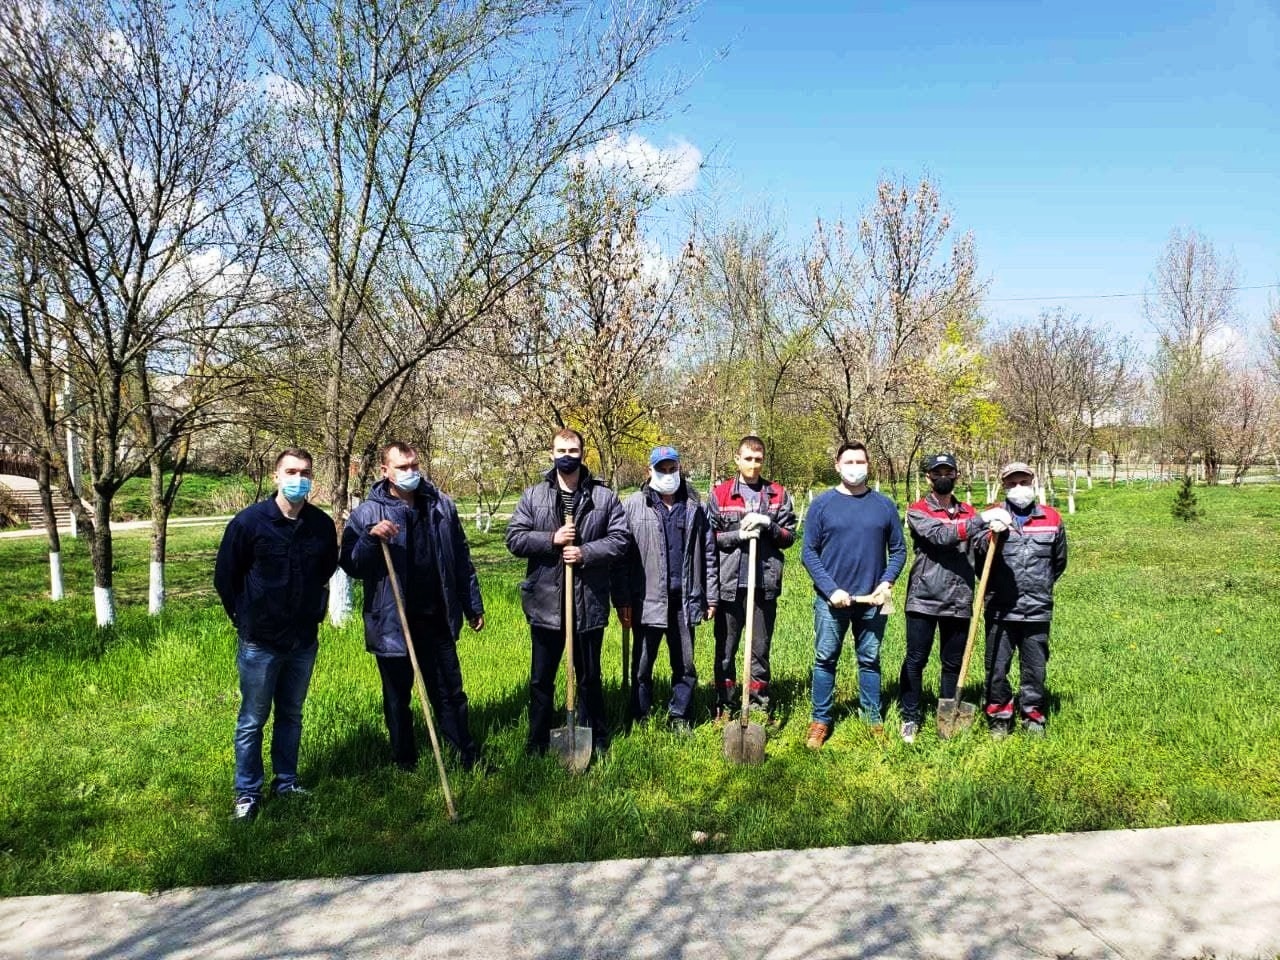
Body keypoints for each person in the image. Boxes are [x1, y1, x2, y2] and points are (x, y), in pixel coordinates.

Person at [339, 441, 484, 771]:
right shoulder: (368, 513)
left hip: (436, 616)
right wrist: (371, 538)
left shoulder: (440, 505)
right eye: (402, 467)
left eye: (414, 466)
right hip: (393, 621)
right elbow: (351, 564)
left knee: (450, 692)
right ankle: (405, 760)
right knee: (397, 697)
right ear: (385, 471)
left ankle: (465, 755)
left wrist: (472, 604)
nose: (410, 472)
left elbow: (460, 558)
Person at [215, 448, 339, 821]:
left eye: (305, 473)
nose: (299, 479)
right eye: (291, 471)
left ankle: (286, 783)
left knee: (291, 714)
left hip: (302, 639)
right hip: (261, 641)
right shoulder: (249, 523)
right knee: (252, 719)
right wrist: (244, 618)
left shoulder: (320, 525)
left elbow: (326, 570)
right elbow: (225, 578)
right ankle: (247, 793)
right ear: (276, 476)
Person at [506, 427, 629, 757]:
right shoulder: (534, 496)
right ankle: (537, 742)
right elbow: (514, 538)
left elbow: (620, 539)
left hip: (587, 603)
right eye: (561, 451)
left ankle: (596, 739)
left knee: (589, 678)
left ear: (582, 453)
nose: (567, 457)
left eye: (573, 451)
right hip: (546, 604)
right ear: (552, 454)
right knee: (541, 680)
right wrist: (552, 539)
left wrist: (585, 552)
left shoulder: (603, 497)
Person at [801, 441, 907, 749]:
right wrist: (831, 589)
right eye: (849, 462)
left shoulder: (884, 505)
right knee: (825, 659)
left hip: (873, 600)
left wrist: (887, 582)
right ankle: (821, 720)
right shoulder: (822, 505)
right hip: (831, 601)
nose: (855, 467)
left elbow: (899, 550)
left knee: (870, 659)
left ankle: (872, 718)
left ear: (868, 465)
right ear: (837, 465)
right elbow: (808, 553)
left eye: (860, 462)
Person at [899, 452, 1005, 743]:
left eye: (949, 472)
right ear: (929, 477)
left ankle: (946, 717)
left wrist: (996, 533)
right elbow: (941, 537)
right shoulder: (917, 510)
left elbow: (980, 547)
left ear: (957, 475)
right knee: (916, 659)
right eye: (938, 472)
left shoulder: (968, 512)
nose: (943, 477)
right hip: (923, 597)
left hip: (959, 598)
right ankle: (910, 716)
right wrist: (982, 520)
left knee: (952, 663)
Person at [617, 445, 718, 731]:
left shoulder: (695, 506)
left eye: (673, 468)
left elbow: (708, 553)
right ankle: (640, 715)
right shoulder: (634, 505)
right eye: (662, 469)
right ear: (649, 471)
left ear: (680, 469)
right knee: (642, 665)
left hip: (684, 600)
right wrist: (622, 599)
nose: (668, 474)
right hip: (646, 599)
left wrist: (710, 596)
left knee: (685, 664)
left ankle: (679, 715)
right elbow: (620, 558)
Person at [707, 435, 798, 721]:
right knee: (726, 649)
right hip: (730, 585)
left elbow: (789, 537)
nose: (753, 464)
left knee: (759, 650)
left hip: (763, 584)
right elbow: (709, 538)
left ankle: (758, 705)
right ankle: (725, 704)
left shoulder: (777, 494)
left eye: (758, 459)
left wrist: (769, 524)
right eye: (748, 458)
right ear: (737, 459)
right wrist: (738, 535)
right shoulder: (721, 494)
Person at [976, 461, 1068, 737]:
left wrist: (1040, 586)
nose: (1019, 488)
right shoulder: (992, 516)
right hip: (1000, 609)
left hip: (1037, 608)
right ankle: (999, 716)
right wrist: (992, 535)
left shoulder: (1051, 518)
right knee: (996, 667)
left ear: (1033, 482)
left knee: (1035, 668)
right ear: (1003, 486)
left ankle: (1033, 716)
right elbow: (979, 560)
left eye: (1024, 482)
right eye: (1012, 483)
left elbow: (1059, 562)